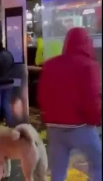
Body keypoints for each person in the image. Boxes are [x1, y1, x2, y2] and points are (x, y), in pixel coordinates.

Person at [37, 28, 101, 181]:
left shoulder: (50, 65)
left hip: (54, 128)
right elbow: (92, 99)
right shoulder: (89, 65)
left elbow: (42, 95)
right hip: (80, 128)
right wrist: (95, 120)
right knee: (99, 164)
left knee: (58, 172)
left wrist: (47, 117)